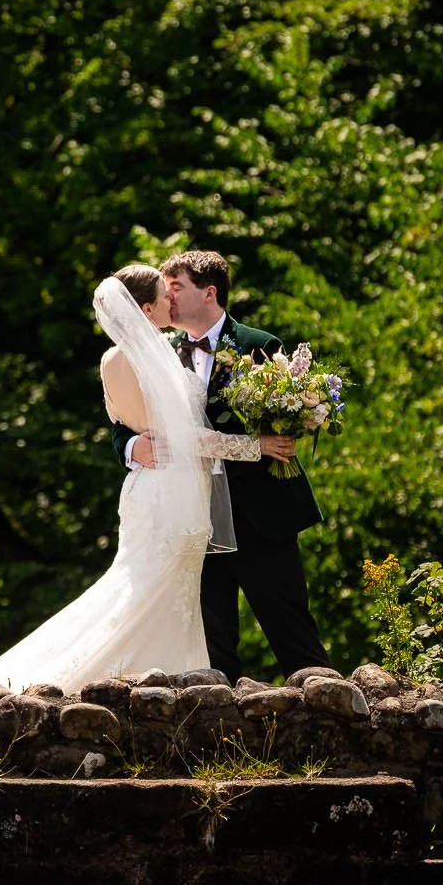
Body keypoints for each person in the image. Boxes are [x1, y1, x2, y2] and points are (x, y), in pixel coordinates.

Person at [0, 265, 285, 697]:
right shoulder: (152, 358)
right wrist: (257, 446)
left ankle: (165, 697)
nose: (172, 303)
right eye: (165, 298)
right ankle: (83, 687)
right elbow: (184, 438)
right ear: (146, 308)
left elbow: (132, 422)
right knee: (150, 599)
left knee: (149, 595)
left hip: (151, 492)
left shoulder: (115, 359)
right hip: (172, 497)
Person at [118, 251, 332, 682]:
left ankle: (333, 718)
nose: (167, 296)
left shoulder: (260, 345)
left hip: (259, 513)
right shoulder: (157, 351)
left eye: (175, 287)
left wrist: (285, 430)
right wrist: (130, 446)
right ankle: (223, 740)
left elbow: (288, 416)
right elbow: (124, 417)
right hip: (192, 518)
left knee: (291, 628)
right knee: (212, 643)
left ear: (209, 292)